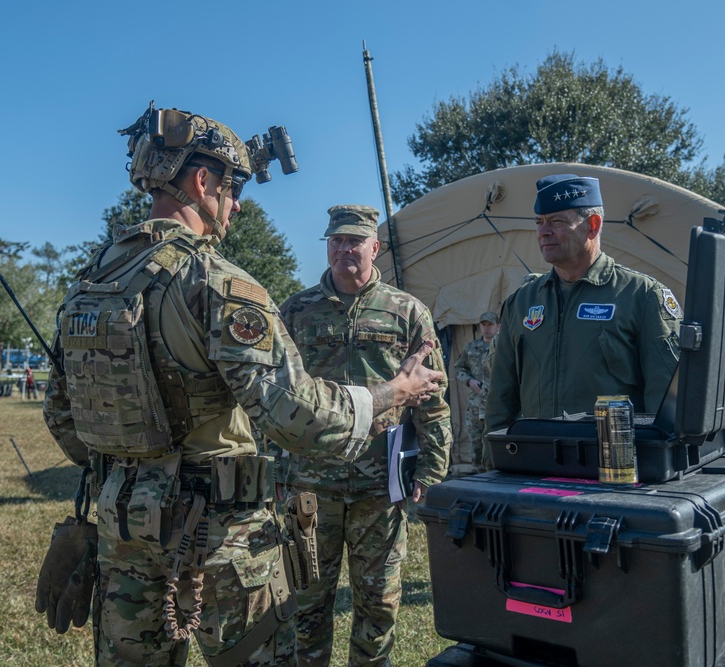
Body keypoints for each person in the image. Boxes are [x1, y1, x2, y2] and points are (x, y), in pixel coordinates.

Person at [41, 106, 443, 667]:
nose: (237, 203)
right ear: (201, 182)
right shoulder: (219, 284)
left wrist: (140, 471)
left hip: (123, 531)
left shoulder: (93, 281)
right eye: (233, 187)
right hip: (219, 540)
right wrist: (392, 393)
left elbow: (63, 415)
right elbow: (297, 415)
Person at [279, 204, 452, 667]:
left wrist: (432, 470)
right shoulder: (296, 311)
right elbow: (273, 398)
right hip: (308, 486)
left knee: (378, 604)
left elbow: (432, 398)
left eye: (355, 241)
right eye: (336, 240)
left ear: (375, 247)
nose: (345, 249)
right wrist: (272, 471)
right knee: (306, 603)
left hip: (380, 485)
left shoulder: (406, 312)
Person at [485, 174, 681, 437]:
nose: (543, 231)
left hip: (612, 466)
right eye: (539, 222)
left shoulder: (641, 296)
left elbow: (667, 406)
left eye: (557, 221)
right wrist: (496, 462)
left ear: (592, 226)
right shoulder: (522, 302)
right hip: (534, 464)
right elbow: (500, 399)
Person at [452, 311, 498, 475]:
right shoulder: (471, 347)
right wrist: (469, 381)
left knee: (495, 442)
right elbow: (459, 367)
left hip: (497, 406)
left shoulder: (503, 347)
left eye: (490, 325)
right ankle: (479, 476)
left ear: (497, 326)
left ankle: (497, 476)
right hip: (475, 405)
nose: (486, 329)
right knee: (476, 444)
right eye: (483, 325)